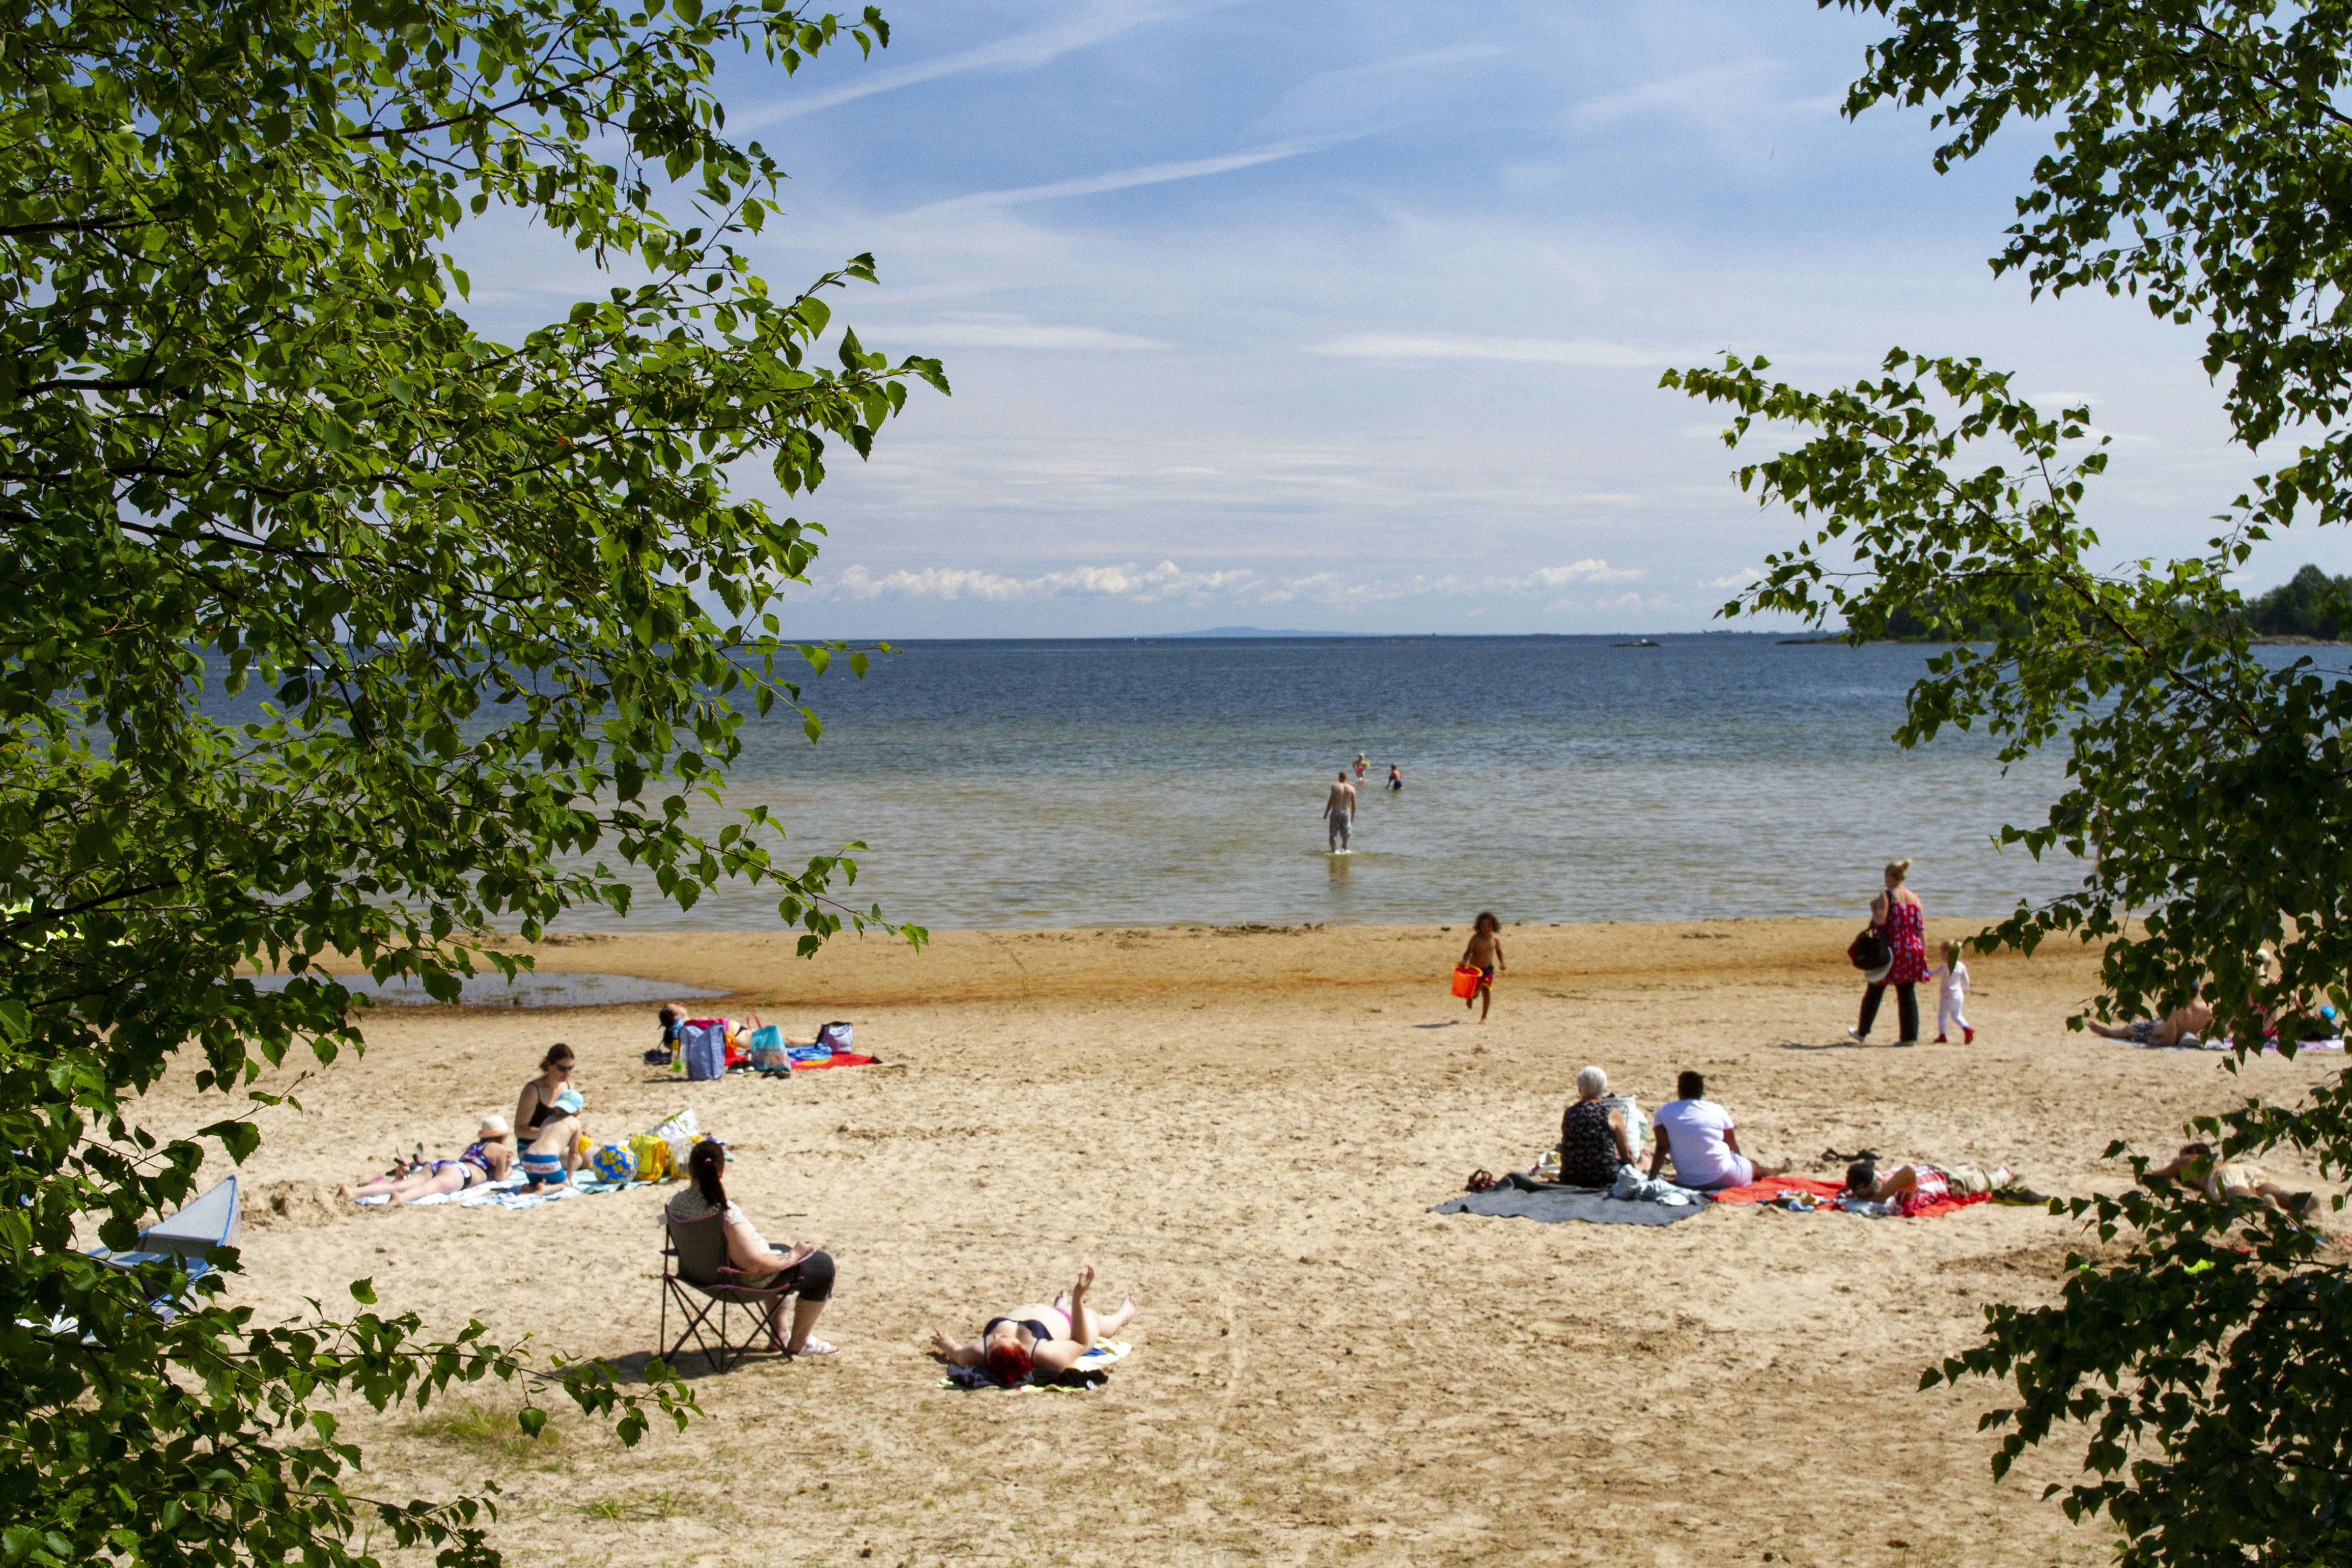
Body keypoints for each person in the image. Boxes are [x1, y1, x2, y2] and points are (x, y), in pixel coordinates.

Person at [665, 1139, 838, 1355]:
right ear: (722, 1171)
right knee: (822, 1266)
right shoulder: (724, 1212)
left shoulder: (676, 1204)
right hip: (736, 1281)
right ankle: (798, 1343)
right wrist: (795, 1254)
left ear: (690, 1170)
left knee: (780, 1249)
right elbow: (754, 1264)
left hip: (697, 1274)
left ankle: (779, 1335)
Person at [930, 1264, 1138, 1387]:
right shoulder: (1046, 1355)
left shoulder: (980, 1351)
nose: (995, 1337)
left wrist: (947, 1344)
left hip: (1047, 1317)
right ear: (1022, 1350)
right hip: (1066, 1323)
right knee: (1099, 1322)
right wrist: (1078, 1298)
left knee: (1067, 1310)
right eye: (999, 1340)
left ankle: (1061, 1305)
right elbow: (1081, 1342)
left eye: (996, 1340)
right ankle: (1123, 1315)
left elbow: (957, 1355)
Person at [1646, 1070, 1787, 1191]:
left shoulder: (1664, 1112)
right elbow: (1732, 1145)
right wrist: (1741, 1163)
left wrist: (1651, 1178)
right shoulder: (1716, 1110)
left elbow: (1662, 1148)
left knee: (1745, 1165)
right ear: (1701, 1092)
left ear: (1679, 1091)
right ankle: (1780, 1169)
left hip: (1688, 1180)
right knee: (1755, 1168)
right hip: (1725, 1176)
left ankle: (1776, 1169)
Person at [342, 1116, 514, 1204]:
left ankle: (353, 1193)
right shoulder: (501, 1150)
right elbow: (499, 1178)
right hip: (463, 1174)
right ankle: (401, 1200)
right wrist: (509, 1169)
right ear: (504, 1137)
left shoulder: (475, 1145)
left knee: (400, 1185)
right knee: (429, 1188)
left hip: (445, 1164)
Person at [1849, 859, 1929, 1044]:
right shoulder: (1915, 898)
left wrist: (1874, 907)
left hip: (1893, 949)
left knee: (1875, 988)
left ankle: (1862, 1032)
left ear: (1890, 877)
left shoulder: (1887, 895)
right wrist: (1922, 953)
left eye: (1885, 877)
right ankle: (1909, 1037)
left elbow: (1881, 920)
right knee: (1907, 992)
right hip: (1913, 948)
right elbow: (1921, 928)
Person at [2143, 1142, 2316, 1215]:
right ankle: (2301, 1202)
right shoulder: (2220, 1159)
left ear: (2194, 1152)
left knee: (2235, 1191)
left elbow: (2160, 1176)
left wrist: (2144, 1177)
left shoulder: (2188, 1160)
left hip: (2224, 1174)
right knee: (2267, 1188)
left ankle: (2263, 1205)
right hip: (2246, 1168)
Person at [513, 1044, 585, 1186]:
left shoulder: (569, 1087)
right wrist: (551, 1134)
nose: (567, 1074)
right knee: (578, 1161)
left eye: (571, 1068)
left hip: (557, 1145)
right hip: (530, 1147)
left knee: (591, 1156)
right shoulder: (533, 1091)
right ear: (549, 1065)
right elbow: (519, 1130)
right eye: (562, 1069)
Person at [1841, 1156, 2011, 1215]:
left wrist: (1851, 1186)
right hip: (1954, 1184)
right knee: (1998, 1179)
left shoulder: (1879, 1184)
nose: (1879, 1170)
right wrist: (1882, 1195)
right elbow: (1909, 1170)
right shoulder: (1895, 1195)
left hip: (1937, 1171)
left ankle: (1966, 1167)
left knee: (1965, 1169)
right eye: (1876, 1173)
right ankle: (2003, 1173)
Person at [1556, 1065, 1636, 1186]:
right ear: (1603, 1089)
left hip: (1571, 1177)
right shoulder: (1611, 1113)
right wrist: (1635, 1169)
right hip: (1604, 1177)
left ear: (1579, 1088)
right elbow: (1627, 1155)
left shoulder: (1570, 1113)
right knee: (1643, 1162)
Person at [2087, 998, 2216, 1048]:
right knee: (2132, 1028)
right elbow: (2211, 1033)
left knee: (2129, 1030)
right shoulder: (2206, 1009)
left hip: (2156, 1031)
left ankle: (2107, 1031)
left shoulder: (2175, 1009)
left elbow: (2169, 1042)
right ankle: (2107, 1031)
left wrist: (2152, 1041)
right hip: (2164, 1029)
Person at [1460, 911, 1504, 1022]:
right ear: (1479, 927)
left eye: (1489, 926)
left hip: (1488, 969)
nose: (1487, 928)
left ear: (1493, 926)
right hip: (1474, 970)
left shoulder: (1495, 940)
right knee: (1473, 994)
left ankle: (1484, 1016)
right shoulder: (1476, 939)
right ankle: (1470, 998)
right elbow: (1468, 952)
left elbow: (1499, 952)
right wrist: (1464, 961)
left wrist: (1502, 963)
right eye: (1484, 926)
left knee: (1486, 992)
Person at [1930, 940, 1973, 1044]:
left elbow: (1932, 974)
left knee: (1942, 1016)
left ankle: (1942, 1036)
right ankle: (1967, 1028)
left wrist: (1922, 969)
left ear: (1946, 954)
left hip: (1947, 996)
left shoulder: (1945, 966)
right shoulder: (1961, 966)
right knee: (1957, 1015)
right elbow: (1966, 980)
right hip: (1959, 996)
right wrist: (1965, 989)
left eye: (1942, 953)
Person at [1323, 769, 1357, 852]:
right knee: (1345, 838)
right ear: (1347, 778)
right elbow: (1354, 805)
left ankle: (1334, 852)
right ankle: (1344, 853)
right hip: (1346, 813)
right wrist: (1352, 817)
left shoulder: (1335, 787)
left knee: (1333, 836)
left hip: (1336, 812)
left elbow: (1331, 801)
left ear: (1339, 778)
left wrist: (1326, 813)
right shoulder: (1352, 788)